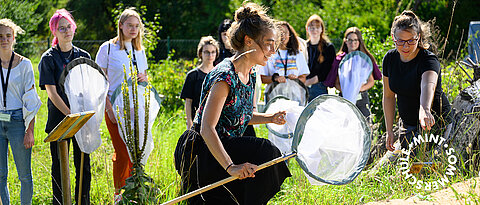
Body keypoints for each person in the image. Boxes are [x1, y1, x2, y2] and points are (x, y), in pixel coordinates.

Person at [174, 3, 291, 204]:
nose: (273, 50)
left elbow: (238, 116)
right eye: (269, 43)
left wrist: (270, 118)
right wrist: (231, 167)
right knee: (265, 151)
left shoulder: (251, 72)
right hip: (202, 151)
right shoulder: (224, 77)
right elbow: (207, 128)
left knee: (265, 161)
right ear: (248, 41)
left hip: (225, 144)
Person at [38, 9, 91, 204]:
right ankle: (59, 202)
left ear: (74, 28)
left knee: (84, 166)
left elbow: (89, 89)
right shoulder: (48, 58)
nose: (66, 31)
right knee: (59, 166)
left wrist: (82, 117)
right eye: (61, 28)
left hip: (82, 120)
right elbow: (51, 93)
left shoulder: (83, 55)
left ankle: (82, 201)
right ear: (54, 31)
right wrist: (71, 116)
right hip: (59, 120)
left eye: (69, 27)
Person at [95, 8, 149, 198]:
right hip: (115, 108)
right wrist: (109, 109)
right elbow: (99, 82)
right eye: (130, 25)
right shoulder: (107, 49)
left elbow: (145, 78)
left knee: (137, 152)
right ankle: (119, 194)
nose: (133, 29)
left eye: (137, 26)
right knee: (122, 152)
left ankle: (134, 192)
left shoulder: (140, 50)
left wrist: (144, 78)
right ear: (121, 25)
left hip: (138, 108)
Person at [383, 11, 453, 153]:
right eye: (400, 41)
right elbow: (389, 96)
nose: (406, 46)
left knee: (426, 167)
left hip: (434, 122)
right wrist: (389, 130)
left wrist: (425, 109)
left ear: (418, 37)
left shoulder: (428, 60)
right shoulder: (389, 59)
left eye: (411, 40)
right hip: (408, 124)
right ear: (393, 38)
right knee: (409, 168)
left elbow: (429, 85)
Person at [0, 18, 41, 205]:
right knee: (0, 175)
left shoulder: (24, 65)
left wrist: (29, 130)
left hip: (18, 122)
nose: (4, 40)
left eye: (8, 36)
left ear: (14, 38)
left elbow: (31, 101)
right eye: (0, 36)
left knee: (24, 175)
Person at [324, 27, 382, 119]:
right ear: (345, 41)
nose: (353, 43)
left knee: (365, 124)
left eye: (355, 40)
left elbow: (371, 81)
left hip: (361, 98)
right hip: (344, 98)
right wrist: (348, 90)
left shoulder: (364, 59)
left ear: (359, 41)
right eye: (350, 40)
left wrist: (359, 88)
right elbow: (336, 83)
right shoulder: (340, 60)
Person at [260, 21, 310, 104]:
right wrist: (275, 78)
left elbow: (303, 78)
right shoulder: (269, 54)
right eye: (280, 33)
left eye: (285, 33)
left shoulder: (297, 54)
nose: (282, 35)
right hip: (274, 98)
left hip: (295, 98)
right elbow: (263, 78)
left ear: (290, 35)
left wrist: (295, 79)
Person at [181, 36, 219, 129]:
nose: (210, 55)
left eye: (213, 52)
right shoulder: (192, 75)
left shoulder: (220, 74)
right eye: (207, 52)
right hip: (197, 121)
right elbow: (188, 101)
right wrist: (189, 121)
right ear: (200, 53)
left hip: (217, 121)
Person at [303, 14, 336, 101]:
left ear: (322, 29)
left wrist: (307, 82)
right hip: (302, 87)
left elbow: (325, 72)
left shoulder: (328, 47)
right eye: (312, 27)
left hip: (319, 88)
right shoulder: (303, 46)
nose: (315, 30)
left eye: (317, 27)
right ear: (307, 29)